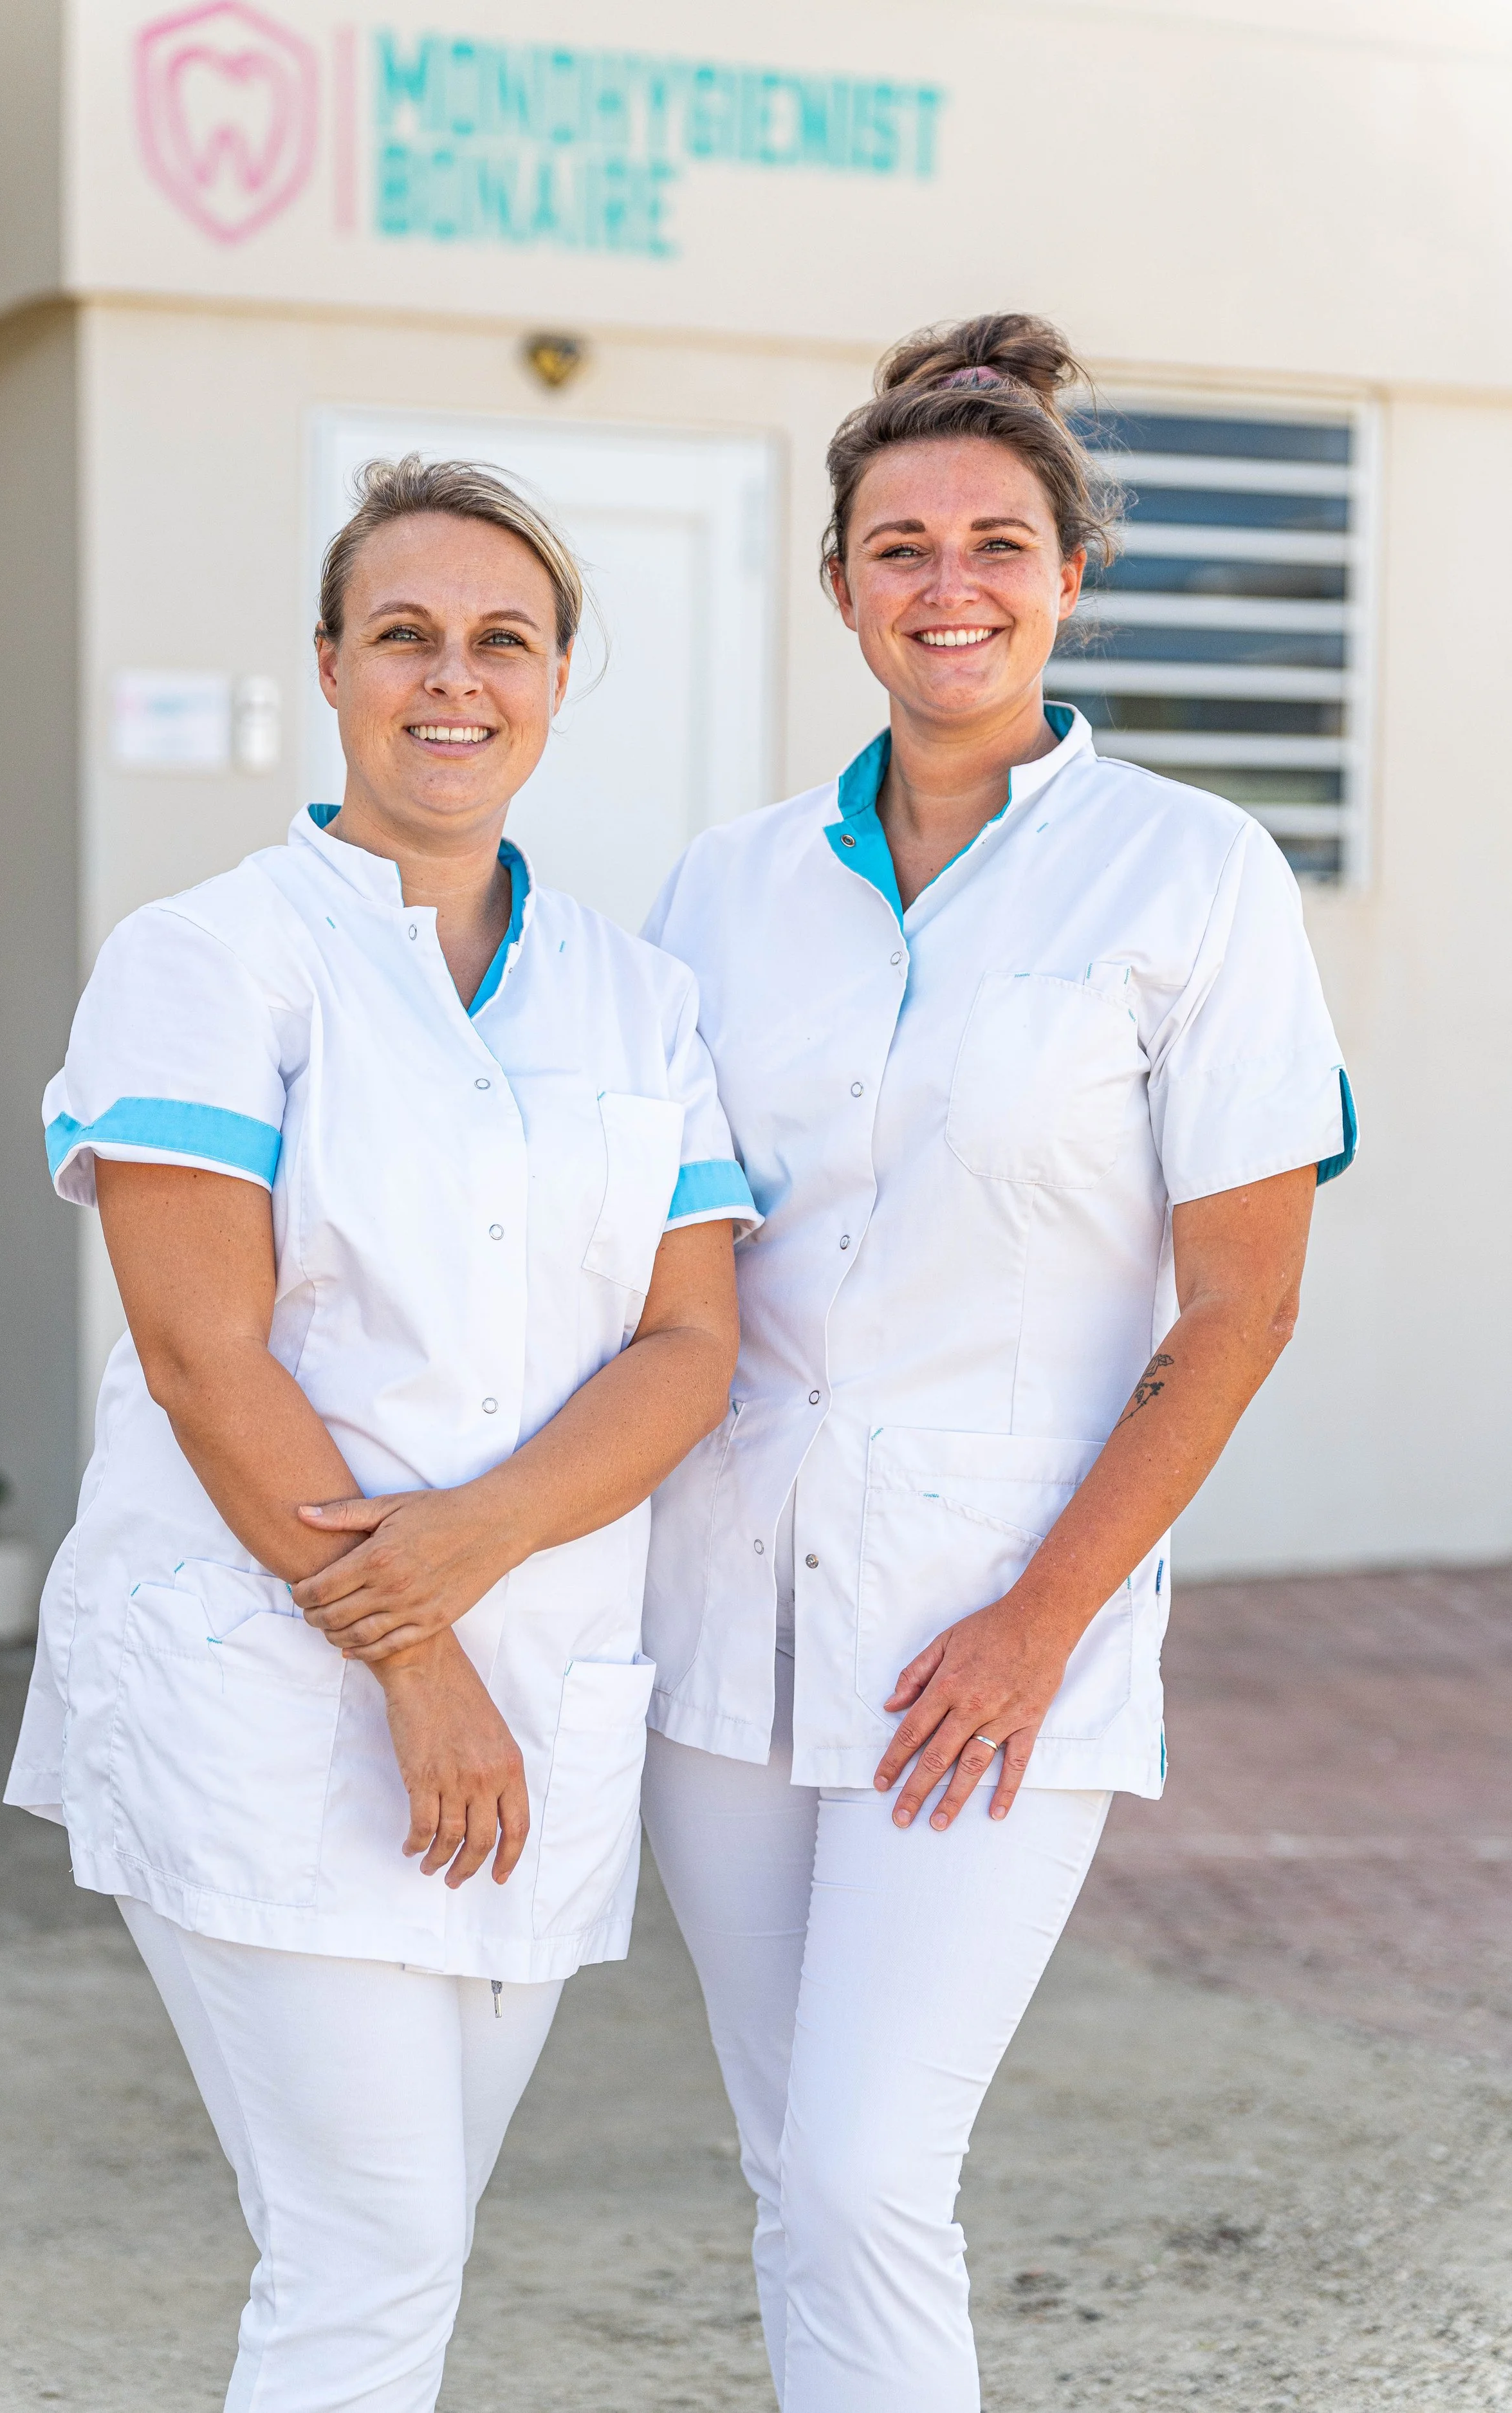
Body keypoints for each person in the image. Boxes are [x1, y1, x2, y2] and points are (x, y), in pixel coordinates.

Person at [640, 315, 1356, 2411]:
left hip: (993, 1629)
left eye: (994, 540)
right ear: (841, 581)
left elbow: (1241, 1301)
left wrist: (1042, 1624)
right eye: (897, 543)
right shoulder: (723, 885)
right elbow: (655, 1245)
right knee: (796, 2167)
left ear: (1066, 573)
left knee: (868, 2169)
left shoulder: (1191, 869)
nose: (945, 581)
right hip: (724, 1612)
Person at [5, 456, 755, 2412]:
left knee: (371, 2241)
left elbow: (688, 1342)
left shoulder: (638, 995)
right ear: (330, 666)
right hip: (268, 1696)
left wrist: (478, 1553)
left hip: (537, 1713)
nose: (453, 678)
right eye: (403, 633)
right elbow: (202, 1353)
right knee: (372, 2248)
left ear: (560, 677)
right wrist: (415, 1649)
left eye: (502, 638)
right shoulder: (213, 954)